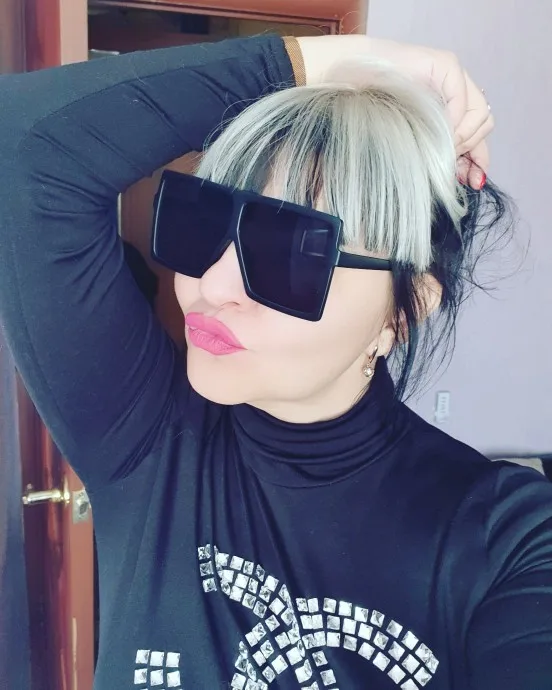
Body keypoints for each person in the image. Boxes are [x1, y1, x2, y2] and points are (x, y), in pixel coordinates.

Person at [0, 31, 550, 690]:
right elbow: (23, 148)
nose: (211, 286)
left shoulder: (509, 542)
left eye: (290, 253)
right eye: (204, 223)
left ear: (402, 312)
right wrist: (330, 61)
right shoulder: (145, 439)